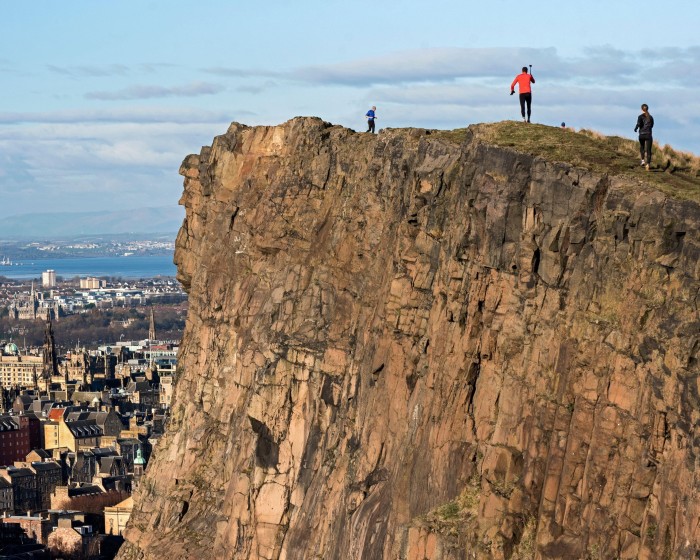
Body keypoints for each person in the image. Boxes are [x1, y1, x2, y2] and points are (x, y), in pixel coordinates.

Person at [634, 104, 654, 171]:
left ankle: (642, 161)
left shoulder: (640, 116)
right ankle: (648, 164)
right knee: (649, 150)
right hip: (648, 135)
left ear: (641, 109)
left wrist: (636, 128)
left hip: (642, 134)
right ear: (647, 109)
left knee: (642, 147)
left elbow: (639, 124)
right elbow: (652, 126)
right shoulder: (651, 117)